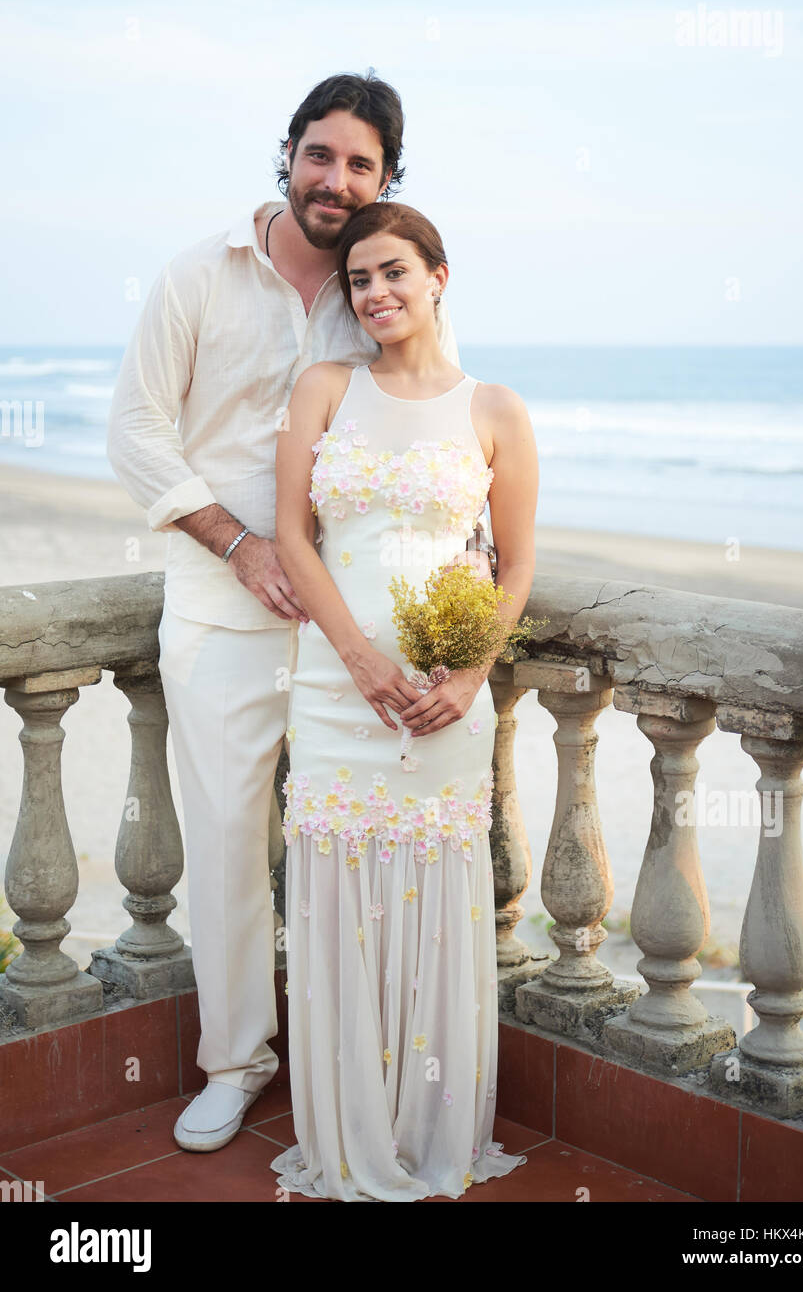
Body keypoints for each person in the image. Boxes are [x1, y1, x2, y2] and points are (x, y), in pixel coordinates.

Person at [106, 71, 493, 1155]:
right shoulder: (197, 274)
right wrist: (236, 543)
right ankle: (234, 1063)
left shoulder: (381, 277)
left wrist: (458, 621)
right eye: (321, 155)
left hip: (357, 629)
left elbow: (445, 435)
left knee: (354, 849)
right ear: (288, 154)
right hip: (224, 613)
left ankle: (365, 1066)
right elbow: (137, 431)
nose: (337, 179)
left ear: (386, 179)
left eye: (362, 164)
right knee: (231, 839)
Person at [269, 200, 538, 1201]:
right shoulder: (325, 389)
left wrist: (467, 678)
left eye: (393, 272)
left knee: (432, 905)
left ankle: (430, 1133)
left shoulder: (495, 409)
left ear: (438, 277)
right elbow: (294, 537)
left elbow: (515, 567)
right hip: (338, 700)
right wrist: (356, 660)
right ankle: (349, 1137)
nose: (375, 292)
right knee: (342, 902)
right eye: (358, 280)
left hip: (442, 710)